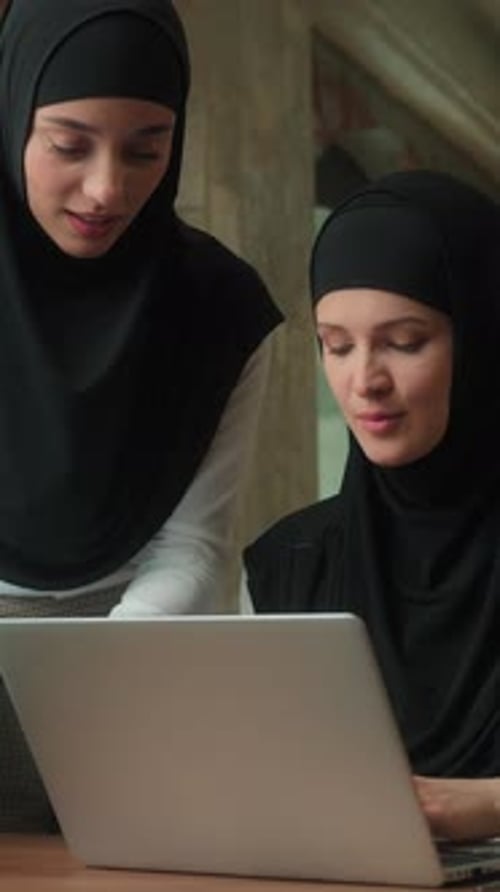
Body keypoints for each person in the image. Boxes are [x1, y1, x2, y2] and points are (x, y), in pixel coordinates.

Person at [0, 0, 282, 830]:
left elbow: (194, 545)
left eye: (146, 148)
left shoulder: (220, 308)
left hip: (137, 661)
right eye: (69, 145)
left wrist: (97, 683)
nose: (106, 188)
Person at [243, 170, 500, 842]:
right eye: (336, 345)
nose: (364, 381)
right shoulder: (293, 562)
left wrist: (490, 805)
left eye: (404, 342)